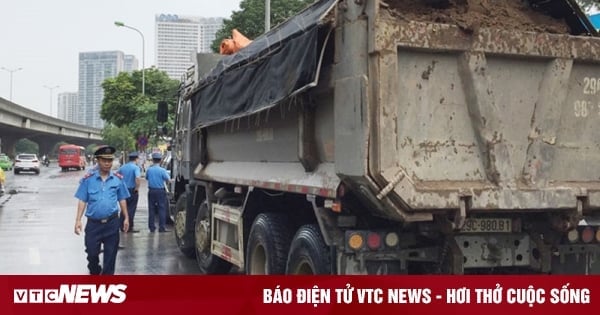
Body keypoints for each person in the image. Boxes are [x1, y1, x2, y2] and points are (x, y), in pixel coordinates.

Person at [73, 146, 130, 275]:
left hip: (112, 223)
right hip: (94, 224)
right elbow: (82, 200)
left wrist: (126, 217)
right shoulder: (88, 180)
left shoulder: (117, 179)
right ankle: (94, 269)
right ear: (97, 160)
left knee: (110, 257)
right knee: (92, 253)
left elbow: (122, 199)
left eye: (109, 161)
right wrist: (78, 220)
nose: (107, 163)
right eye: (104, 160)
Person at [145, 152, 170, 233]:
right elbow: (168, 179)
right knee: (161, 209)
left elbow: (147, 178)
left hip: (151, 191)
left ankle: (151, 227)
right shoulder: (162, 170)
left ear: (152, 160)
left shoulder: (149, 170)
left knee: (151, 209)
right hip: (160, 191)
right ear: (160, 160)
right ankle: (162, 228)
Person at [118, 152, 141, 233]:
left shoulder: (123, 167)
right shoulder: (136, 168)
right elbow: (138, 178)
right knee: (131, 209)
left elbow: (117, 176)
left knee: (123, 208)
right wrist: (137, 188)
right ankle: (129, 227)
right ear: (136, 159)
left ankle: (121, 226)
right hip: (132, 190)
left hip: (123, 190)